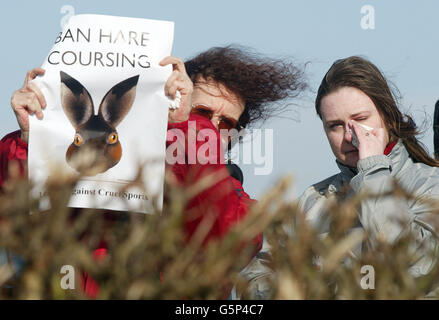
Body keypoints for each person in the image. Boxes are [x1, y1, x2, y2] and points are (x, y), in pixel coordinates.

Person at [0, 45, 306, 298]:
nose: (211, 128)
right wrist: (34, 140)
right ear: (166, 105)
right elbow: (17, 213)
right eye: (201, 112)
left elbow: (216, 238)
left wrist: (187, 125)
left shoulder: (240, 205)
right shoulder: (100, 179)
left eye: (226, 123)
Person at [240, 56, 439, 299]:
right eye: (335, 126)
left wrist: (373, 169)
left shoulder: (431, 185)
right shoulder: (313, 201)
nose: (349, 135)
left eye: (361, 119)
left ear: (387, 117)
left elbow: (414, 267)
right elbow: (254, 278)